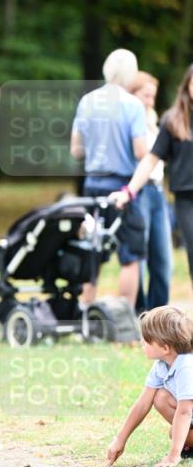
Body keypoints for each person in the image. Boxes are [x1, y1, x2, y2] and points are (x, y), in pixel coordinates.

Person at [70, 48, 148, 306]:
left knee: (93, 250)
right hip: (122, 189)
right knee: (130, 255)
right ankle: (125, 319)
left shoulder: (87, 101)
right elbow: (140, 151)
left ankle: (84, 311)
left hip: (92, 185)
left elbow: (76, 150)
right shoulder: (133, 105)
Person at [111, 63, 193, 290]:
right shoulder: (173, 121)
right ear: (187, 85)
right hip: (187, 199)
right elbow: (149, 160)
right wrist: (130, 191)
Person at [106, 306, 193, 467]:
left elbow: (185, 411)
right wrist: (120, 439)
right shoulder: (162, 364)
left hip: (188, 415)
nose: (141, 343)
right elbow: (143, 403)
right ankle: (186, 442)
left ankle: (184, 445)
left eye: (146, 340)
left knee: (176, 433)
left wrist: (174, 455)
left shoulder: (186, 367)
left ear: (165, 348)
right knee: (161, 398)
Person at [129, 71, 173, 310]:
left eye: (153, 96)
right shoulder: (130, 120)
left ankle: (158, 315)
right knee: (139, 257)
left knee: (163, 260)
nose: (150, 101)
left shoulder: (153, 120)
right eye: (146, 95)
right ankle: (140, 313)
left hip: (157, 192)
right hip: (140, 192)